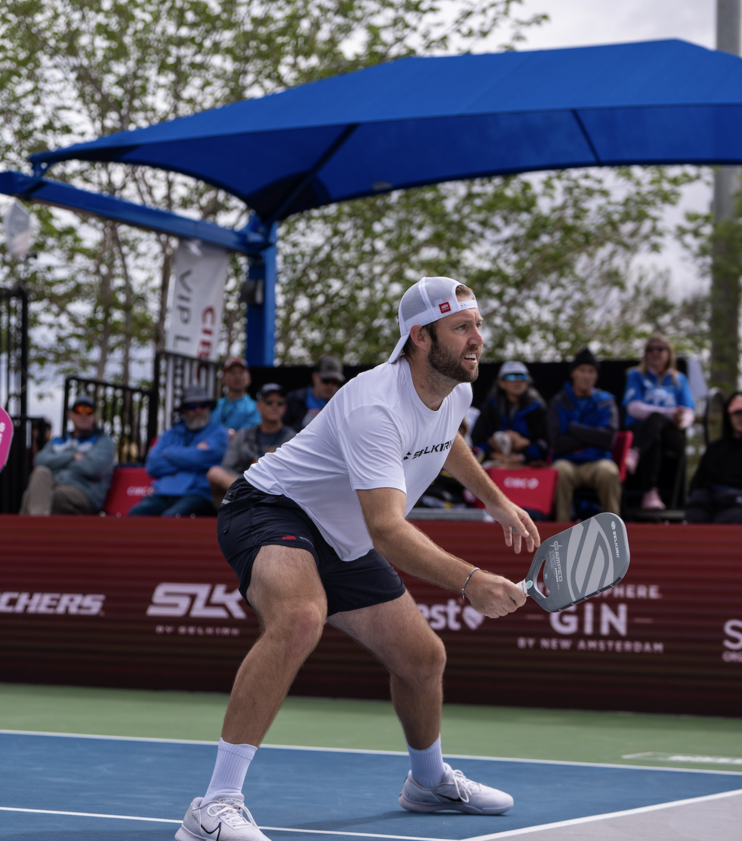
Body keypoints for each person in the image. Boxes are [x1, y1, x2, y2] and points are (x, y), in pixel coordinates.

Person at [178, 276, 538, 841]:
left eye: (477, 325)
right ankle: (214, 806)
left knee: (423, 660)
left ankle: (427, 783)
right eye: (462, 327)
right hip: (272, 509)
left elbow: (444, 440)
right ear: (420, 337)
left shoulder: (456, 390)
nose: (477, 340)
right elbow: (389, 530)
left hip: (342, 537)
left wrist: (495, 499)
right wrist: (470, 581)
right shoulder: (374, 405)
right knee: (299, 618)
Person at [622, 334, 694, 510]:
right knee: (654, 434)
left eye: (659, 349)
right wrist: (668, 412)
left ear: (669, 353)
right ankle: (650, 494)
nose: (655, 353)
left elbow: (689, 413)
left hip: (672, 434)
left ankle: (634, 453)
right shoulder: (635, 375)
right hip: (640, 430)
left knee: (657, 418)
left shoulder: (679, 379)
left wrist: (677, 419)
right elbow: (633, 408)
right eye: (650, 349)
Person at [132, 386, 228, 517]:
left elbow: (205, 457)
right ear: (184, 410)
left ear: (209, 408)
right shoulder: (169, 433)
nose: (198, 410)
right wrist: (192, 457)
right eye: (192, 406)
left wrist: (169, 452)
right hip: (163, 493)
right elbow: (152, 466)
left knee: (171, 518)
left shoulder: (219, 433)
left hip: (198, 493)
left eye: (203, 405)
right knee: (136, 513)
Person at [549, 347, 620, 522]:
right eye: (582, 370)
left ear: (596, 376)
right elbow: (558, 443)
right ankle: (561, 530)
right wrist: (592, 436)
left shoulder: (607, 402)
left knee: (609, 472)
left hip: (598, 462)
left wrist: (573, 429)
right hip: (568, 462)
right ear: (573, 373)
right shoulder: (559, 401)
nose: (586, 376)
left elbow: (608, 440)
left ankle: (614, 533)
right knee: (559, 471)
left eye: (591, 371)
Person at [685, 392, 742, 524]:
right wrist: (699, 495)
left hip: (741, 505)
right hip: (708, 501)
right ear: (728, 416)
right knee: (695, 515)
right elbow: (696, 483)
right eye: (737, 413)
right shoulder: (714, 448)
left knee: (731, 520)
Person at [20, 394, 116, 515]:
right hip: (52, 487)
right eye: (79, 410)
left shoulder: (104, 441)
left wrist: (57, 462)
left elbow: (93, 468)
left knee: (32, 496)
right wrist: (72, 456)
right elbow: (39, 461)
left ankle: (30, 531)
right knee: (40, 472)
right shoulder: (58, 441)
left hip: (82, 495)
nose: (84, 414)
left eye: (89, 411)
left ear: (94, 416)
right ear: (70, 415)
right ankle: (35, 529)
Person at [207, 383, 296, 507]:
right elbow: (227, 466)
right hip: (244, 485)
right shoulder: (244, 434)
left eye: (279, 403)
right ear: (258, 406)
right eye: (269, 402)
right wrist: (247, 479)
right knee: (214, 473)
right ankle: (252, 495)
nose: (274, 406)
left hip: (275, 490)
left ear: (285, 408)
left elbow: (294, 475)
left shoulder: (293, 438)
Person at [470, 360, 548, 468]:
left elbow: (545, 443)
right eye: (511, 377)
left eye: (522, 377)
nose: (517, 381)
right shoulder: (489, 407)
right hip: (494, 461)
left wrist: (522, 456)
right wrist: (494, 454)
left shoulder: (538, 407)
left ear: (528, 381)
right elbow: (478, 441)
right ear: (501, 383)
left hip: (528, 464)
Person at [283, 355, 344, 430]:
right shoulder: (294, 399)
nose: (330, 386)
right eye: (326, 380)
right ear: (315, 377)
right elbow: (281, 431)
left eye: (335, 382)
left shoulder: (342, 404)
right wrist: (303, 427)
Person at [214, 356, 260, 435]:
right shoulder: (214, 406)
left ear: (248, 378)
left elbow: (247, 437)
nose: (237, 376)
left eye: (241, 372)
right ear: (224, 378)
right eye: (232, 372)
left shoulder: (256, 408)